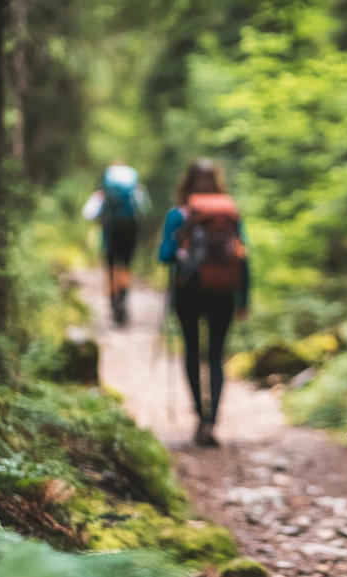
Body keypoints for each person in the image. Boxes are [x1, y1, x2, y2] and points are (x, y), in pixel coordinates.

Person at [158, 158, 249, 447]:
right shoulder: (230, 213)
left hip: (188, 291)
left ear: (187, 182)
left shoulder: (179, 214)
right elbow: (243, 256)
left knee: (192, 350)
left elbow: (164, 255)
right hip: (223, 292)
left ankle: (200, 415)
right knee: (216, 355)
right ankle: (212, 421)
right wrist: (243, 298)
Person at [82, 161, 149, 325]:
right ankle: (123, 298)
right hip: (130, 228)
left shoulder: (103, 192)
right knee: (125, 264)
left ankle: (113, 303)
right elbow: (145, 207)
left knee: (111, 266)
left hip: (110, 229)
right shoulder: (135, 187)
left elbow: (88, 213)